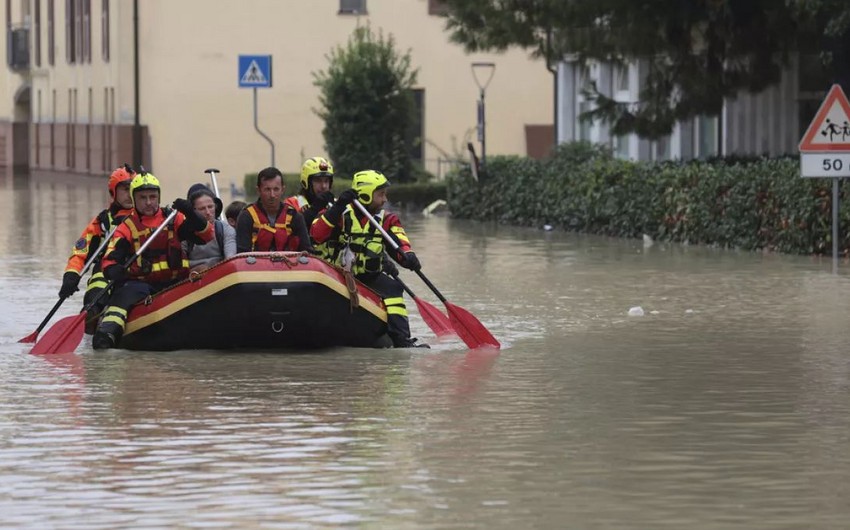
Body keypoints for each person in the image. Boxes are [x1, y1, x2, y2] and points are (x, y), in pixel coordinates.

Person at [92, 172, 214, 350]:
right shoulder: (126, 227)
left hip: (175, 282)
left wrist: (191, 212)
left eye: (153, 197)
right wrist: (114, 271)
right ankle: (107, 334)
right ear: (134, 199)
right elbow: (109, 261)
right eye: (143, 198)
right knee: (123, 297)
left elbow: (206, 235)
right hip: (141, 284)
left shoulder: (173, 219)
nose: (149, 202)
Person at [311, 169, 428, 348]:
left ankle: (401, 340)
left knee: (394, 288)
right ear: (365, 195)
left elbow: (400, 243)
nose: (385, 199)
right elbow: (316, 235)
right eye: (381, 194)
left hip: (369, 276)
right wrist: (338, 207)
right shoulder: (338, 214)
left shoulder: (387, 220)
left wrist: (408, 257)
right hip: (339, 277)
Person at [59, 164, 135, 333]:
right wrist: (71, 275)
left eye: (132, 188)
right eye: (124, 189)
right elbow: (80, 252)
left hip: (136, 270)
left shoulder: (146, 216)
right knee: (100, 276)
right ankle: (91, 313)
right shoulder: (102, 222)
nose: (129, 194)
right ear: (113, 193)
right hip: (108, 270)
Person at [235, 166, 312, 254]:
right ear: (258, 190)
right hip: (256, 267)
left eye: (276, 189)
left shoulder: (294, 216)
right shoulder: (247, 216)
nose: (272, 195)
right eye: (267, 189)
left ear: (282, 190)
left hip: (289, 266)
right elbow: (241, 255)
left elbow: (307, 252)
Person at [183, 184, 237, 271]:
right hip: (192, 279)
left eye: (210, 207)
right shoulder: (183, 233)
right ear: (192, 212)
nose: (208, 212)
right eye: (202, 209)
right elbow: (179, 266)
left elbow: (231, 260)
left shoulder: (226, 230)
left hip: (221, 275)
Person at [285, 156, 335, 228]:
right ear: (306, 182)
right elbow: (291, 230)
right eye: (318, 181)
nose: (323, 186)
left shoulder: (334, 204)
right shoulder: (292, 204)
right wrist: (315, 208)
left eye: (326, 181)